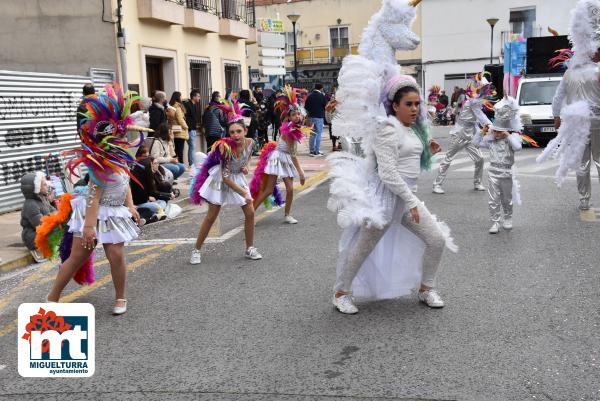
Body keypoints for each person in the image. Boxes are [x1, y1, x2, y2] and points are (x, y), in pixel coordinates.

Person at [328, 73, 456, 314]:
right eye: (408, 104)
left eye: (417, 103)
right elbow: (387, 173)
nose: (414, 108)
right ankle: (341, 293)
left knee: (436, 240)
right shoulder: (387, 129)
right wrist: (411, 201)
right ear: (395, 106)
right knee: (362, 248)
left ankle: (426, 288)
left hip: (407, 198)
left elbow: (407, 165)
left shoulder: (412, 130)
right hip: (384, 199)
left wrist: (428, 150)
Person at [45, 84, 142, 315]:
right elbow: (92, 197)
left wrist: (130, 205)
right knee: (77, 257)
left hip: (114, 212)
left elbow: (126, 182)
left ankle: (121, 298)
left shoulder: (120, 157)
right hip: (94, 212)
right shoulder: (99, 163)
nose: (119, 138)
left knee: (115, 255)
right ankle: (51, 298)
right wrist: (89, 227)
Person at [541, 0, 600, 211]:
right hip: (597, 121)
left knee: (582, 163)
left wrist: (556, 116)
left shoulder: (569, 73)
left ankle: (584, 200)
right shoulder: (598, 72)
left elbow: (557, 98)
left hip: (576, 122)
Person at [189, 108, 262, 264]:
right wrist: (244, 193)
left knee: (250, 212)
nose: (235, 135)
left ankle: (250, 248)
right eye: (232, 132)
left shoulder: (251, 142)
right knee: (211, 216)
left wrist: (245, 166)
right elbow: (226, 178)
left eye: (238, 131)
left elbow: (247, 158)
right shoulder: (226, 148)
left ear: (245, 131)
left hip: (238, 178)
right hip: (222, 180)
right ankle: (196, 250)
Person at [251, 86, 308, 223]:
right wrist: (301, 172)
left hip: (286, 157)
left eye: (298, 114)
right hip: (278, 158)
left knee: (289, 189)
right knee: (269, 190)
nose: (297, 116)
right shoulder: (288, 130)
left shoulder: (295, 127)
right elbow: (293, 153)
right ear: (289, 117)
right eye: (293, 114)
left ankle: (287, 215)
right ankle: (250, 213)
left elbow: (292, 153)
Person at [432, 73, 495, 194]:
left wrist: (484, 131)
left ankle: (477, 182)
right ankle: (437, 184)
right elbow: (480, 116)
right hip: (460, 134)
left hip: (470, 134)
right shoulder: (472, 101)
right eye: (484, 87)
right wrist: (492, 126)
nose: (486, 89)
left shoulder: (477, 100)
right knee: (448, 158)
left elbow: (477, 120)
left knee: (480, 159)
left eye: (486, 87)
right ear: (478, 88)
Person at [473, 97, 523, 234]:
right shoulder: (491, 142)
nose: (496, 134)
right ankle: (495, 222)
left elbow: (518, 147)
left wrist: (508, 135)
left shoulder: (511, 141)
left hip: (506, 174)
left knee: (506, 198)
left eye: (500, 131)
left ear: (506, 131)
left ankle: (508, 218)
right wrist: (482, 132)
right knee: (493, 199)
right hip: (493, 173)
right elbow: (476, 143)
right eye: (495, 131)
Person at [20, 172, 56, 263]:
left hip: (41, 233)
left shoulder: (42, 199)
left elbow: (54, 212)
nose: (47, 185)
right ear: (36, 188)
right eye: (44, 184)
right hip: (32, 237)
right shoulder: (31, 205)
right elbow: (41, 225)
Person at [130, 157, 175, 221]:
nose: (156, 165)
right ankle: (155, 215)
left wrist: (168, 195)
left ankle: (158, 213)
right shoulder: (138, 180)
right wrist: (148, 198)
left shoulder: (151, 175)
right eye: (152, 165)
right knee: (157, 207)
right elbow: (139, 199)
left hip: (148, 202)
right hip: (139, 204)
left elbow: (152, 191)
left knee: (162, 202)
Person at [304, 83, 328, 156]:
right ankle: (317, 151)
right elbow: (325, 105)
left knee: (312, 134)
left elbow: (306, 107)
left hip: (311, 117)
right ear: (321, 88)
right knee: (318, 134)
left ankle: (311, 150)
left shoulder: (310, 96)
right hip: (319, 117)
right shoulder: (322, 96)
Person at [168, 91, 189, 164]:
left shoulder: (171, 106)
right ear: (178, 97)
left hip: (175, 130)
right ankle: (181, 164)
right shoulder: (178, 107)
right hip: (180, 131)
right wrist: (186, 127)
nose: (181, 97)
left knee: (176, 149)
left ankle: (177, 163)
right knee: (180, 150)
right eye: (180, 96)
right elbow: (180, 119)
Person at [184, 90, 201, 168]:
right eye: (198, 96)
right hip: (190, 129)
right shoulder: (187, 104)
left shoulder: (195, 105)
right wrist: (189, 128)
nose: (199, 98)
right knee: (192, 146)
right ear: (193, 97)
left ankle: (192, 163)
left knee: (192, 146)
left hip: (193, 128)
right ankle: (191, 163)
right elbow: (186, 117)